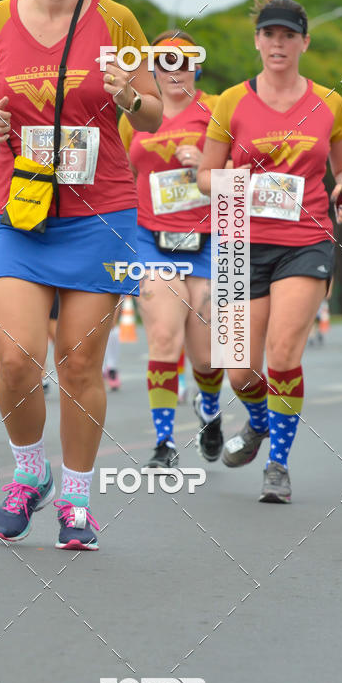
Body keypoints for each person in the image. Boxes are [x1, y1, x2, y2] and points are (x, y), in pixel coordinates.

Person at [0, 0, 162, 550]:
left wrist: (129, 94)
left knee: (80, 365)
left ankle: (76, 502)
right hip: (19, 210)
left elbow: (155, 114)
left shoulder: (116, 20)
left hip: (100, 212)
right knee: (16, 357)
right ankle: (28, 473)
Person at [198, 0, 342, 502]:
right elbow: (202, 177)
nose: (278, 43)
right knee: (240, 368)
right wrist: (231, 181)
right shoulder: (232, 102)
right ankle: (259, 422)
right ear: (257, 41)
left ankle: (278, 466)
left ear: (304, 42)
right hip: (240, 239)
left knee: (283, 354)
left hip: (305, 240)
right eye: (269, 34)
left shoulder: (330, 103)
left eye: (288, 34)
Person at [120, 31, 224, 468]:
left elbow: (248, 167)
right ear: (153, 70)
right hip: (152, 240)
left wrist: (204, 167)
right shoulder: (137, 115)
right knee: (164, 336)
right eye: (164, 62)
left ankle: (211, 410)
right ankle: (164, 442)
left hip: (208, 241)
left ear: (196, 66)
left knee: (206, 356)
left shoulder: (219, 109)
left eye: (183, 61)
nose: (174, 70)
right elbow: (119, 173)